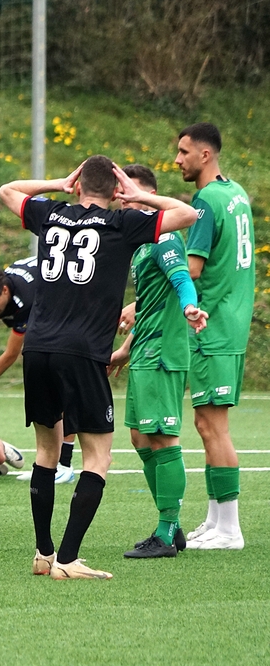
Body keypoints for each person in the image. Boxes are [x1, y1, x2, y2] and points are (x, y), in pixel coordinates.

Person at [0, 155, 198, 580]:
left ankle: (44, 553)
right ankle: (68, 559)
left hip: (37, 347)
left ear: (77, 185)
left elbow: (7, 190)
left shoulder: (52, 214)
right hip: (82, 351)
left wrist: (57, 182)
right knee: (98, 456)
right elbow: (187, 214)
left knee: (46, 451)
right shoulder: (122, 223)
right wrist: (141, 195)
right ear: (117, 190)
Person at [108, 164, 208, 559]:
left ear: (145, 196)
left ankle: (166, 532)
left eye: (127, 194)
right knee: (139, 437)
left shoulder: (165, 238)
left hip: (163, 353)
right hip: (144, 350)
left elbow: (182, 280)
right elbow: (152, 302)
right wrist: (125, 349)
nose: (121, 201)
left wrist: (189, 308)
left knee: (163, 437)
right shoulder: (142, 244)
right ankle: (173, 525)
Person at [174, 123, 254, 551]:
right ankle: (214, 519)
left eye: (184, 152)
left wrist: (145, 292)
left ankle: (230, 529)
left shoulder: (205, 201)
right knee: (206, 424)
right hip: (231, 322)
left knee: (213, 427)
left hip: (214, 327)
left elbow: (193, 268)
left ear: (205, 155)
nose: (177, 160)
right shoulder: (235, 192)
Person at [0, 260, 77, 485]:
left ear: (4, 291)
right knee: (45, 392)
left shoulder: (24, 300)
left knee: (61, 387)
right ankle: (51, 465)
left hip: (71, 311)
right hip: (49, 316)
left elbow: (10, 354)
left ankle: (64, 466)